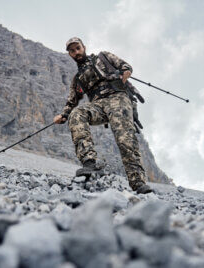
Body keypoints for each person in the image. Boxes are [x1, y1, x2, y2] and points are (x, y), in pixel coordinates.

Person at [53, 37, 152, 194]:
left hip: (118, 98)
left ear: (83, 47)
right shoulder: (77, 79)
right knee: (77, 113)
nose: (76, 52)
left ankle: (138, 182)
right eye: (72, 51)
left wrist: (126, 72)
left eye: (78, 48)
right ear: (70, 54)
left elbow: (125, 65)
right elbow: (71, 102)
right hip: (98, 105)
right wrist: (63, 115)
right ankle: (89, 164)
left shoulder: (103, 57)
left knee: (124, 137)